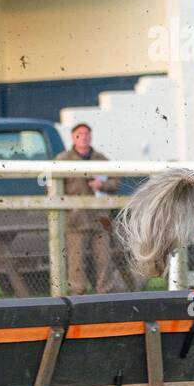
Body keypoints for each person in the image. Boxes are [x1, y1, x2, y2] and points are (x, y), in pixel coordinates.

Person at [55, 123, 120, 294]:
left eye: (86, 134)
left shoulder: (101, 159)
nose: (83, 137)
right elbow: (52, 186)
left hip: (100, 219)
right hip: (76, 219)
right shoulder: (63, 159)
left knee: (104, 259)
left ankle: (105, 294)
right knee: (76, 261)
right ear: (73, 137)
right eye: (79, 134)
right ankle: (78, 296)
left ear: (91, 136)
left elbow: (115, 182)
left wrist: (102, 184)